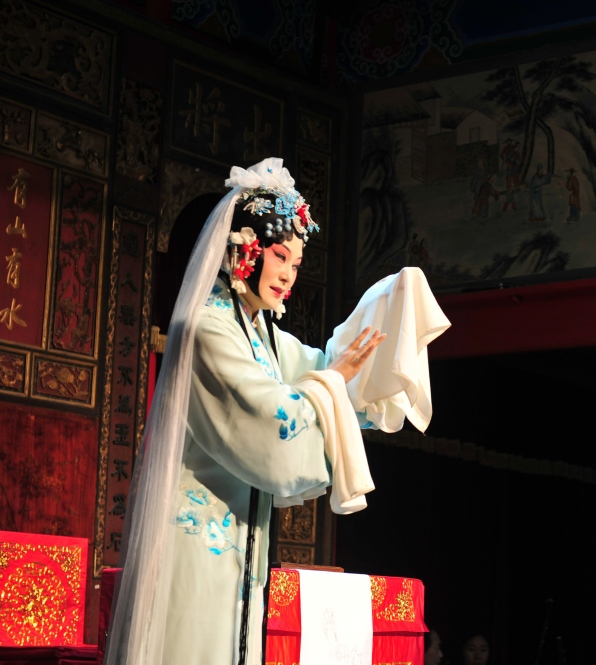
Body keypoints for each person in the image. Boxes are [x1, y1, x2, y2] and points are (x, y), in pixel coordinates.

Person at [105, 158, 448, 665]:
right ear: (243, 250)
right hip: (197, 545)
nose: (288, 274)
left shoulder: (259, 331)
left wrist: (388, 313)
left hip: (243, 550)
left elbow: (326, 368)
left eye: (296, 264)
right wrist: (334, 382)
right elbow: (274, 420)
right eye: (281, 256)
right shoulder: (207, 327)